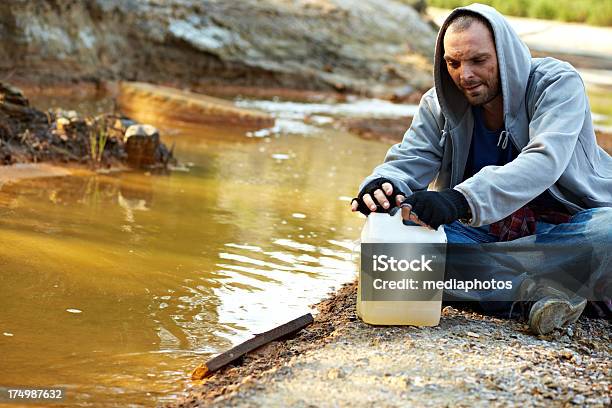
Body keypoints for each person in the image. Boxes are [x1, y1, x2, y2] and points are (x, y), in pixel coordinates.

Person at [351, 3, 612, 335]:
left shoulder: (557, 84)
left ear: (504, 54)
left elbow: (544, 160)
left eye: (478, 61)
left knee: (609, 231)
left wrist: (459, 200)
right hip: (485, 235)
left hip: (566, 228)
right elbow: (407, 161)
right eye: (453, 63)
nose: (465, 75)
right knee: (382, 250)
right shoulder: (438, 105)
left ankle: (506, 285)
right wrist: (382, 184)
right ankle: (536, 294)